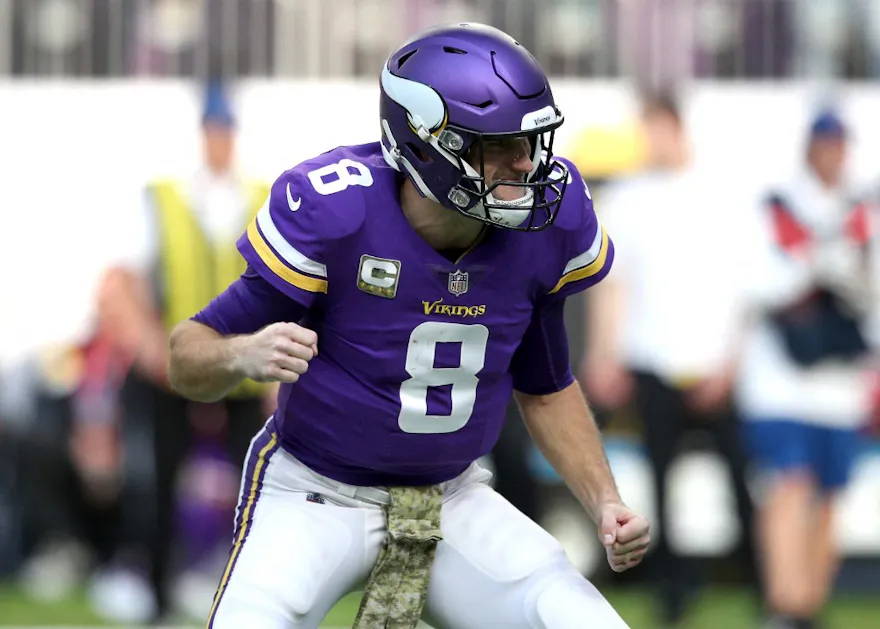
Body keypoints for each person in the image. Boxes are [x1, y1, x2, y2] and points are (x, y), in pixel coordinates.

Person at [169, 23, 651, 629]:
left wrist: (605, 500)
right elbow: (187, 354)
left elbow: (546, 385)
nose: (525, 164)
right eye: (498, 144)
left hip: (455, 495)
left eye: (530, 142)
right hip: (315, 493)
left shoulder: (546, 226)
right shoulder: (337, 210)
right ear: (427, 144)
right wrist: (242, 354)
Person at [96, 81, 274, 621]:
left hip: (244, 366)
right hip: (174, 368)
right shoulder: (165, 197)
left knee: (256, 487)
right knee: (157, 481)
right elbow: (121, 283)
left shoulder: (261, 197)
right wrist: (151, 347)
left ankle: (250, 592)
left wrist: (274, 374)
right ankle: (153, 590)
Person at [581, 91, 760, 626]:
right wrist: (603, 355)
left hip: (711, 363)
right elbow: (613, 284)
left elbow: (742, 288)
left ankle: (765, 583)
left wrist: (731, 363)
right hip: (653, 360)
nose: (650, 142)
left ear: (677, 128)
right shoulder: (631, 198)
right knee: (660, 484)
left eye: (656, 129)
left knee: (739, 482)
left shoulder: (721, 194)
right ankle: (672, 589)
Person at [737, 109, 878, 629]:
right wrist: (816, 266)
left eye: (840, 145)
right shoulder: (776, 208)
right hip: (782, 381)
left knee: (830, 496)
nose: (833, 154)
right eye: (826, 144)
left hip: (840, 382)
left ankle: (809, 604)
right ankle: (784, 603)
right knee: (789, 487)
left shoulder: (862, 213)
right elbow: (757, 286)